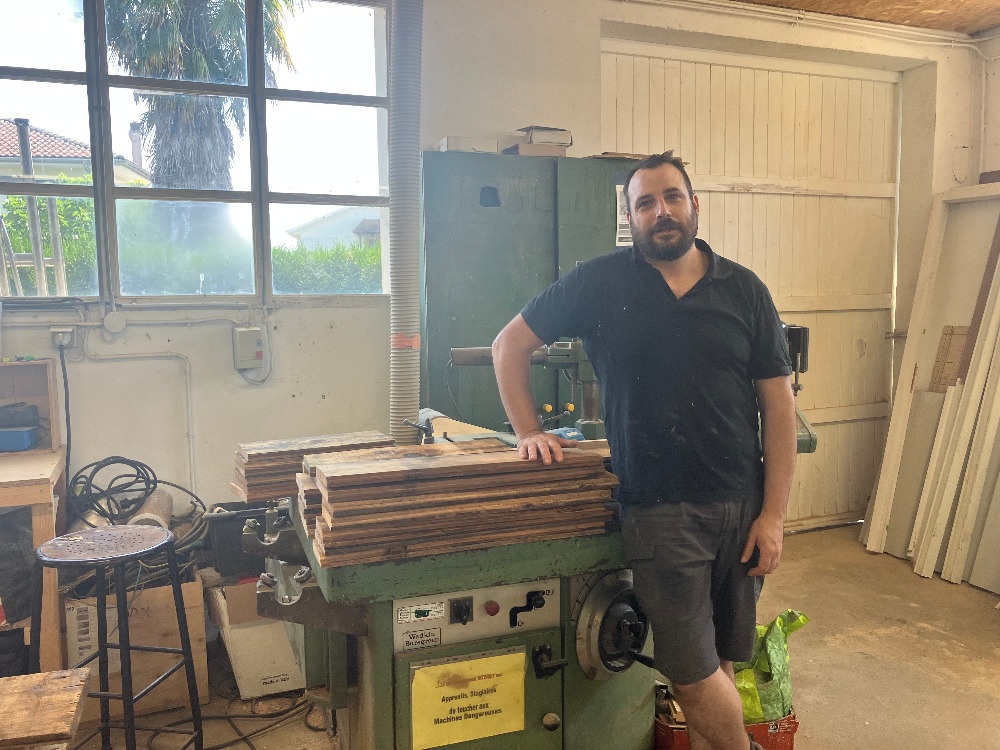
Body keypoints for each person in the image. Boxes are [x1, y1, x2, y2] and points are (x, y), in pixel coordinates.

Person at [492, 151, 797, 750]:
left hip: (741, 506)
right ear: (630, 217)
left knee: (719, 661)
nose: (662, 212)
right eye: (646, 203)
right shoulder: (599, 282)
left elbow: (779, 407)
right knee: (692, 674)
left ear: (694, 205)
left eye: (672, 197)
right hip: (660, 511)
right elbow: (509, 346)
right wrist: (528, 430)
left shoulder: (744, 289)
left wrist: (774, 515)